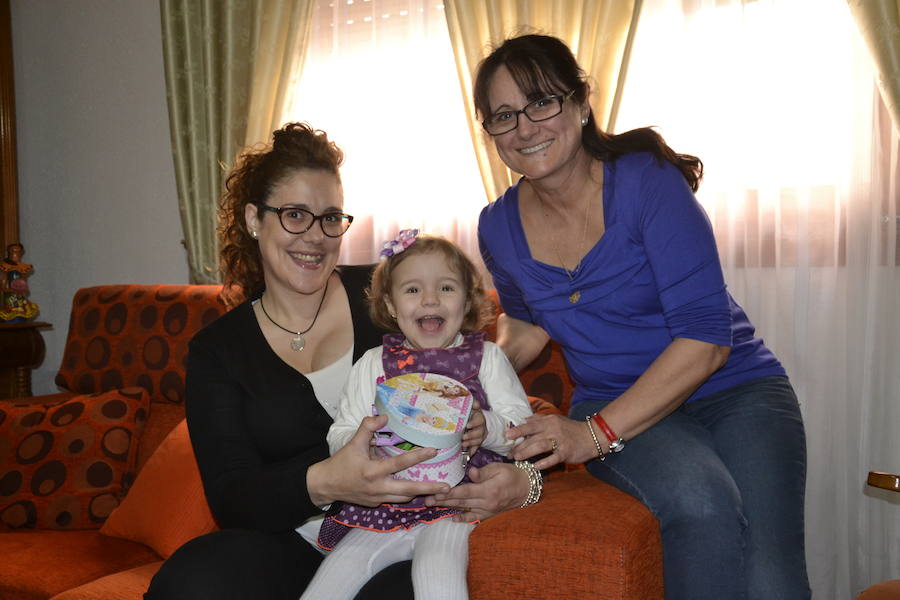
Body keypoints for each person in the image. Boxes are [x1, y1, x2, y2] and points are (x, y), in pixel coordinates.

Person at [469, 34, 811, 600]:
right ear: (490, 133)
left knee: (771, 576)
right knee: (703, 506)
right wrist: (468, 372)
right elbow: (528, 326)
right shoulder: (496, 226)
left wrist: (591, 437)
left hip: (738, 389)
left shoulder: (647, 181)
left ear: (580, 104)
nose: (525, 127)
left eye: (541, 102)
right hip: (616, 398)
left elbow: (706, 340)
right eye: (504, 115)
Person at [145, 123, 454, 600]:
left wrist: (520, 477)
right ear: (254, 219)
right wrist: (325, 481)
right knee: (189, 582)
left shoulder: (388, 294)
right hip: (294, 541)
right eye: (295, 215)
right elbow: (232, 498)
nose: (315, 237)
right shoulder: (218, 351)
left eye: (330, 218)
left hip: (403, 531)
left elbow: (471, 378)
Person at [302, 231, 533, 600]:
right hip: (380, 508)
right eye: (412, 290)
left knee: (438, 586)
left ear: (468, 301)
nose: (429, 299)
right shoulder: (373, 364)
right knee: (325, 589)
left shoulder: (486, 357)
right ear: (391, 305)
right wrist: (360, 449)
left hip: (454, 505)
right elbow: (340, 433)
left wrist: (487, 426)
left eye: (445, 288)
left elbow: (523, 433)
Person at [0, 242, 39, 322]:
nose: (15, 254)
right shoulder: (5, 267)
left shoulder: (23, 267)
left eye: (18, 251)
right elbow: (3, 287)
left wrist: (24, 290)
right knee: (13, 319)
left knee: (22, 318)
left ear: (21, 253)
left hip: (21, 299)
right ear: (9, 252)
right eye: (13, 251)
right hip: (11, 300)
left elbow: (24, 283)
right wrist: (14, 290)